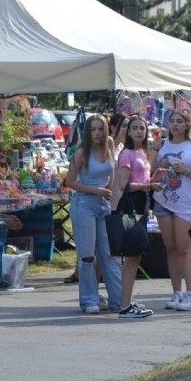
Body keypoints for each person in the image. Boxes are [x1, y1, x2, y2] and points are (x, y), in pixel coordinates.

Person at [65, 114, 122, 314]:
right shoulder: (82, 151)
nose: (97, 133)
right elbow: (69, 182)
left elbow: (112, 168)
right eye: (93, 129)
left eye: (100, 129)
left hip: (103, 203)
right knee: (87, 255)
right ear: (88, 131)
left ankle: (119, 299)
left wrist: (108, 187)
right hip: (84, 202)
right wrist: (96, 190)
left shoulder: (110, 144)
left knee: (109, 254)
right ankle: (89, 299)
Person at [152, 108, 191, 311]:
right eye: (172, 121)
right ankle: (176, 292)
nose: (175, 124)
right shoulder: (162, 145)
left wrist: (187, 171)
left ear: (187, 124)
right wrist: (155, 152)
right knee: (170, 247)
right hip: (163, 200)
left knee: (184, 247)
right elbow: (150, 171)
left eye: (179, 121)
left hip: (185, 203)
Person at [115, 114, 160, 318]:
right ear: (129, 131)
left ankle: (127, 301)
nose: (139, 131)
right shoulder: (127, 154)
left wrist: (153, 178)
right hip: (130, 207)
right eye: (135, 128)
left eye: (142, 128)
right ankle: (124, 305)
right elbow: (124, 185)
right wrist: (149, 185)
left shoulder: (142, 152)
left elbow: (143, 178)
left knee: (136, 257)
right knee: (132, 257)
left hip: (143, 207)